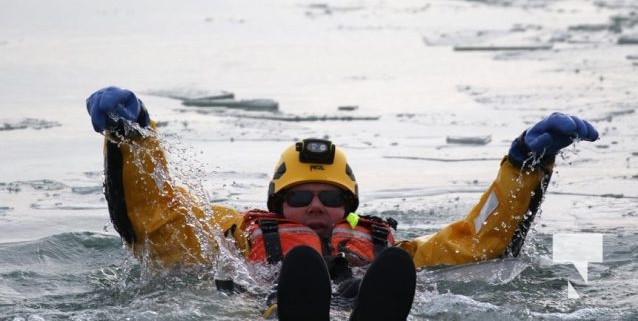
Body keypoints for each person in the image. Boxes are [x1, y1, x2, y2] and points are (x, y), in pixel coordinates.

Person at [86, 86, 599, 320]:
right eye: (300, 197)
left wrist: (524, 167)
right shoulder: (234, 232)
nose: (315, 206)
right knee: (289, 280)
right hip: (269, 304)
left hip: (366, 296)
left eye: (330, 197)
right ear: (275, 204)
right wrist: (134, 138)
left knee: (388, 272)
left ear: (351, 204)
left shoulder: (388, 244)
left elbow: (481, 239)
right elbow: (156, 215)